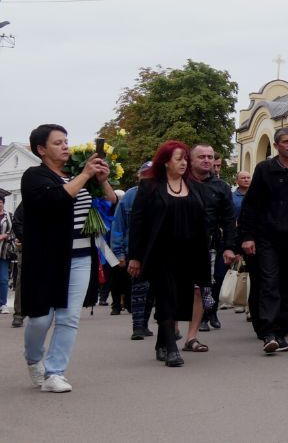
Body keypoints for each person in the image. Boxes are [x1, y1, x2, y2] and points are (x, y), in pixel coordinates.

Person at [21, 124, 117, 392]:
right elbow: (53, 202)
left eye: (66, 141)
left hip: (81, 255)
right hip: (46, 258)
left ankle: (55, 373)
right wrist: (85, 174)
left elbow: (109, 202)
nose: (65, 146)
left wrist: (101, 179)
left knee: (68, 317)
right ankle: (33, 357)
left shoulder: (77, 175)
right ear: (41, 149)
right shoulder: (34, 176)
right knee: (40, 318)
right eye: (57, 143)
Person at [128, 141, 211, 367]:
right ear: (165, 162)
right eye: (178, 158)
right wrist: (135, 256)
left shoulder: (197, 188)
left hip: (188, 254)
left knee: (179, 298)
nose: (183, 162)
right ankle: (172, 348)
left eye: (185, 158)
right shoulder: (150, 187)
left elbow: (203, 222)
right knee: (165, 296)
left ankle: (161, 343)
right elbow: (137, 222)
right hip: (160, 254)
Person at [238, 127, 288, 354]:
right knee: (269, 283)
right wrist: (247, 236)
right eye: (286, 141)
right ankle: (268, 332)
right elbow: (250, 206)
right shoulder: (265, 169)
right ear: (276, 146)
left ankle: (281, 333)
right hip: (266, 238)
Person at [188, 144, 237, 339]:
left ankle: (199, 326)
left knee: (204, 287)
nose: (207, 160)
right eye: (202, 157)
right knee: (178, 289)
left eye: (209, 156)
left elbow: (229, 219)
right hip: (180, 244)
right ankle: (171, 327)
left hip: (209, 245)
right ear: (191, 160)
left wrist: (230, 247)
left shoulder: (221, 187)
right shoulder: (181, 183)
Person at [111, 161, 155, 340]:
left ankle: (144, 323)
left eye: (151, 174)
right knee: (138, 288)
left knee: (151, 290)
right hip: (135, 250)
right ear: (139, 176)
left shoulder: (161, 194)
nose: (148, 177)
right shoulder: (129, 196)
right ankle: (137, 326)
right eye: (145, 174)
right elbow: (118, 226)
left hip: (157, 250)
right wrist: (119, 253)